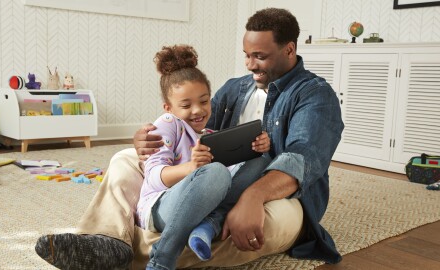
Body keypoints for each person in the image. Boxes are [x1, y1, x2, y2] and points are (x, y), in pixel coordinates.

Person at [35, 7, 343, 270]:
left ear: (289, 49)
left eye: (259, 56)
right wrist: (146, 140)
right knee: (124, 159)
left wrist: (252, 197)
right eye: (246, 55)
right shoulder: (236, 87)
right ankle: (107, 240)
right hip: (212, 179)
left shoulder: (316, 96)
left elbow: (301, 161)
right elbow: (190, 128)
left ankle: (133, 252)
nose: (249, 64)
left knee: (252, 228)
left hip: (280, 197)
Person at [136, 44, 270, 269]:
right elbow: (153, 177)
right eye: (186, 105)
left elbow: (228, 181)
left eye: (204, 101)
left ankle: (209, 224)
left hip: (201, 205)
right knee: (216, 171)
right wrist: (191, 167)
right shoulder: (168, 124)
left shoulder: (209, 136)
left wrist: (258, 146)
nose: (197, 110)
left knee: (260, 161)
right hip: (160, 208)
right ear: (168, 108)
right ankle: (162, 258)